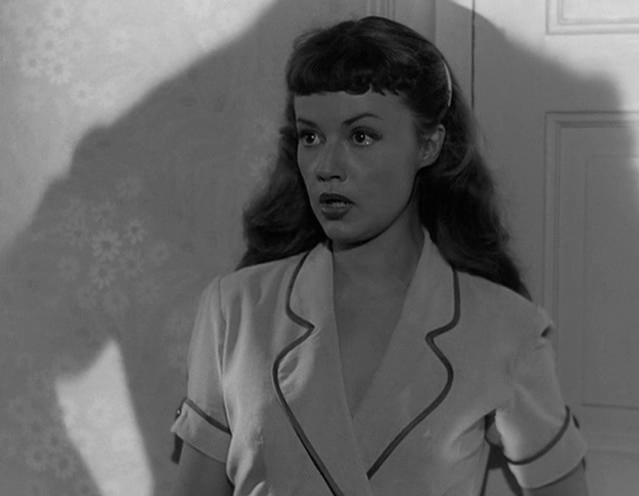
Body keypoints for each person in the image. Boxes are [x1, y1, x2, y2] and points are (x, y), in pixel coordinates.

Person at [170, 16, 589, 496]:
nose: (327, 167)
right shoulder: (235, 309)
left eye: (361, 136)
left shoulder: (505, 328)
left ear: (428, 145)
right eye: (310, 137)